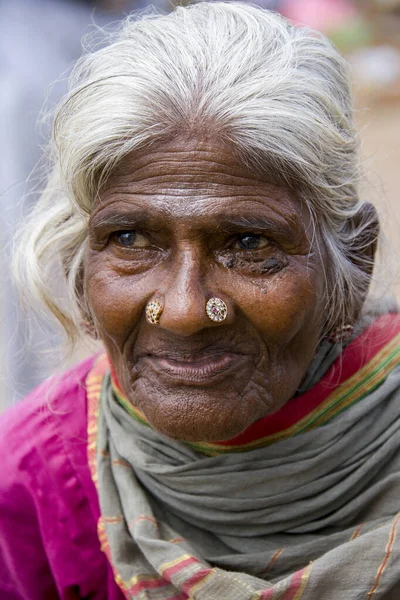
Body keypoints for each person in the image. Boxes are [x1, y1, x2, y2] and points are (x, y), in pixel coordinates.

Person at [1, 2, 399, 598]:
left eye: (248, 242)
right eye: (130, 239)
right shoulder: (31, 484)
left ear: (356, 266)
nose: (185, 311)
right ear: (80, 275)